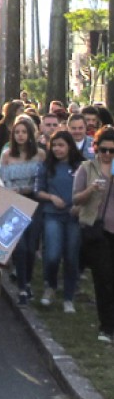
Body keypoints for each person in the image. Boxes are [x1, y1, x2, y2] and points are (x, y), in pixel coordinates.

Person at [73, 126, 114, 343]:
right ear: (96, 148)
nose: (107, 155)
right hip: (96, 230)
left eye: (112, 151)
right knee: (103, 279)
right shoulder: (87, 168)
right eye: (103, 150)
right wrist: (91, 190)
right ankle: (106, 326)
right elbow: (75, 199)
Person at [0, 117, 45, 306]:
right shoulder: (7, 155)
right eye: (17, 132)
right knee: (20, 246)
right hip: (13, 203)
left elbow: (42, 179)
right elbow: (1, 178)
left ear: (30, 134)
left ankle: (28, 280)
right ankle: (23, 287)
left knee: (32, 246)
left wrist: (28, 190)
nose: (20, 135)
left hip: (34, 202)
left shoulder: (40, 154)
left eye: (24, 132)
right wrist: (11, 191)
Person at [36, 131, 83, 314]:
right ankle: (51, 285)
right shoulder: (45, 166)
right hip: (52, 215)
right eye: (54, 145)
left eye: (61, 145)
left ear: (69, 146)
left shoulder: (81, 167)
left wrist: (80, 206)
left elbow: (90, 190)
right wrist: (51, 197)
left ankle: (68, 297)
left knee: (71, 257)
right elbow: (37, 191)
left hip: (73, 217)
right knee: (53, 254)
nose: (57, 149)